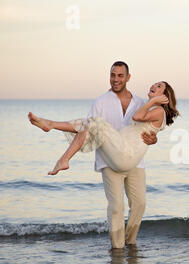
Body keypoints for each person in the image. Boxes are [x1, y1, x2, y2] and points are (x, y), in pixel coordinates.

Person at [28, 61, 179, 249]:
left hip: (134, 160)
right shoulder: (101, 101)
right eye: (112, 75)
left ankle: (130, 243)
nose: (115, 79)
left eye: (120, 76)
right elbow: (87, 131)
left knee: (139, 205)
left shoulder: (141, 103)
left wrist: (154, 138)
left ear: (128, 78)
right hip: (110, 159)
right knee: (116, 208)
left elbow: (152, 125)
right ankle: (117, 248)